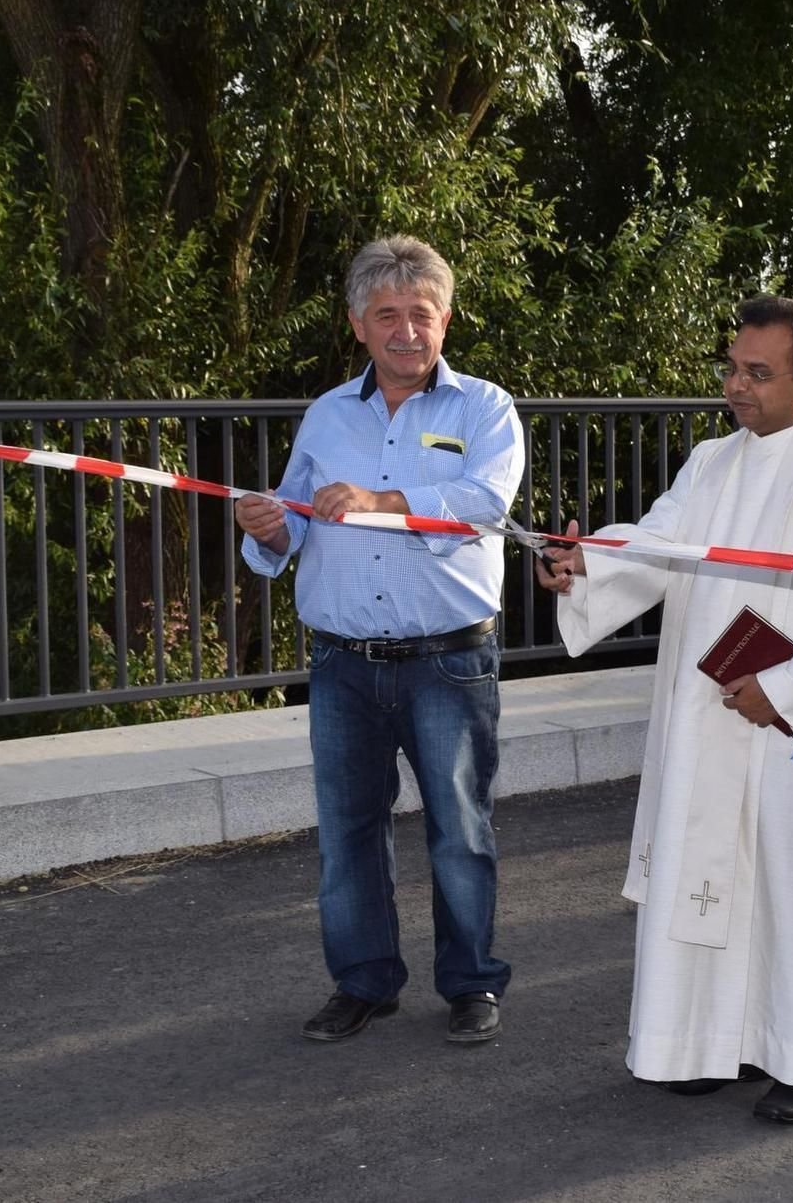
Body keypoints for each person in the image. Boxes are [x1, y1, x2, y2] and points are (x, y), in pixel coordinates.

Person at [537, 296, 793, 1126]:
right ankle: (706, 1041)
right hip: (711, 711)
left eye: (757, 373)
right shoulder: (710, 462)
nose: (736, 384)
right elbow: (658, 544)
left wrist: (790, 690)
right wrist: (585, 564)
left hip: (787, 727)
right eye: (732, 367)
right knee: (713, 881)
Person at [236, 235, 524, 1046]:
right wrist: (264, 526)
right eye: (387, 315)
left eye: (421, 315)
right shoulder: (328, 412)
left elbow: (481, 501)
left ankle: (472, 984)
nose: (406, 332)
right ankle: (363, 983)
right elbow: (292, 517)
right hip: (342, 661)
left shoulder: (485, 408)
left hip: (450, 658)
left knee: (459, 830)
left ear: (447, 320)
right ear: (358, 323)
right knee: (348, 833)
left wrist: (379, 498)